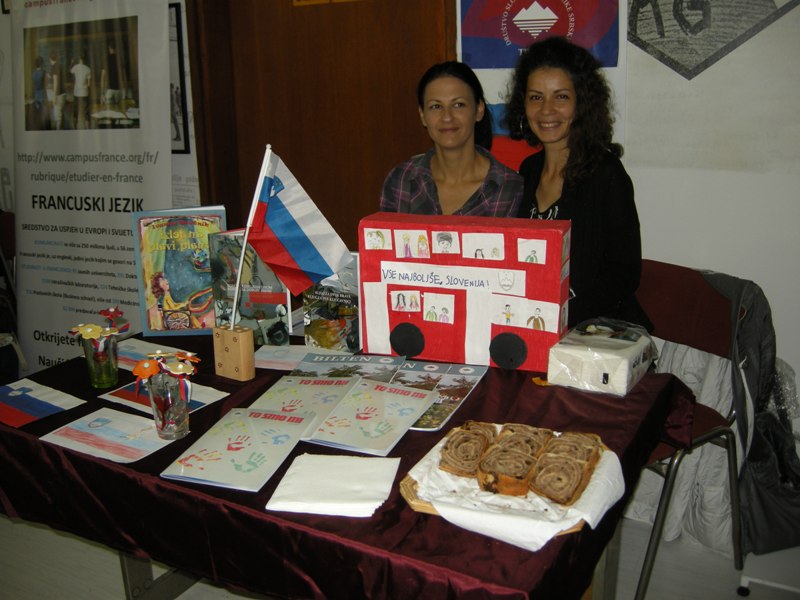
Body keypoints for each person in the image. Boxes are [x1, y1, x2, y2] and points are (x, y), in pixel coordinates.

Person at [505, 37, 651, 330]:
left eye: (561, 97)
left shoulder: (606, 174)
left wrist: (560, 315)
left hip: (598, 331)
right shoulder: (528, 171)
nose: (546, 110)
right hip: (539, 325)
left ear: (581, 103)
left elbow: (623, 274)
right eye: (536, 97)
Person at [380, 61, 522, 216]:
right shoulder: (401, 181)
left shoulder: (510, 188)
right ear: (422, 116)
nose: (447, 117)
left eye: (458, 105)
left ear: (479, 110)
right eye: (436, 106)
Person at [70, 50, 91, 129]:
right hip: (85, 92)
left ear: (79, 58)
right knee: (86, 112)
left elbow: (70, 71)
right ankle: (87, 128)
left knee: (75, 111)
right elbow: (89, 84)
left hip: (77, 92)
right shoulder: (88, 69)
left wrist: (72, 62)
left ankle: (75, 128)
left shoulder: (75, 67)